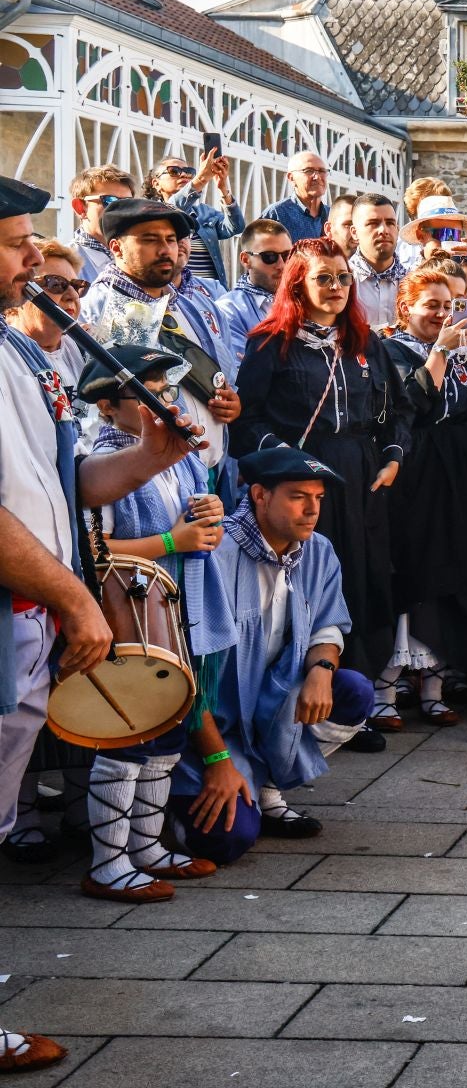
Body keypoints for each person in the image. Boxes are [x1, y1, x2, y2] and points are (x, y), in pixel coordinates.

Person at [0, 173, 205, 1076]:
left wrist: (150, 455)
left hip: (28, 616)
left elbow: (61, 488)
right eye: (17, 245)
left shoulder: (18, 354)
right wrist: (77, 599)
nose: (31, 260)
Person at [77, 347, 238, 901]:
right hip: (133, 615)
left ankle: (146, 847)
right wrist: (173, 540)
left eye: (164, 389)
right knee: (127, 735)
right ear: (106, 407)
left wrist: (210, 516)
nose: (162, 400)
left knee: (168, 730)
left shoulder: (181, 453)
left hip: (180, 610)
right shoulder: (101, 462)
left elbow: (201, 515)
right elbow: (92, 552)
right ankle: (107, 864)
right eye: (144, 392)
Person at [172, 445, 373, 859]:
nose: (312, 510)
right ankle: (163, 809)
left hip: (273, 711)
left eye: (318, 498)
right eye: (298, 497)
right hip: (208, 728)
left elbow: (329, 624)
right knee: (225, 841)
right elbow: (187, 673)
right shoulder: (214, 553)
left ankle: (266, 785)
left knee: (352, 692)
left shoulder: (318, 550)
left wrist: (321, 668)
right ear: (260, 495)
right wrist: (217, 761)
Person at [232, 239, 408, 698]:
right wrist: (286, 464)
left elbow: (397, 411)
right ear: (298, 284)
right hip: (299, 481)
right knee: (308, 584)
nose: (336, 287)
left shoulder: (366, 343)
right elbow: (245, 421)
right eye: (324, 278)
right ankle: (298, 696)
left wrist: (392, 458)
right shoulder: (271, 343)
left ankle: (356, 695)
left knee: (363, 578)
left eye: (343, 278)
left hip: (362, 477)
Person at [371, 269, 467, 732]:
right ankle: (384, 692)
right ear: (405, 308)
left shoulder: (466, 356)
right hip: (414, 480)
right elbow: (407, 407)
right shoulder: (390, 352)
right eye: (431, 305)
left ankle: (435, 688)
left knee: (454, 576)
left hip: (459, 480)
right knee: (414, 577)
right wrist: (440, 353)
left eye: (449, 306)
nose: (442, 314)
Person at [78, 199, 243, 484]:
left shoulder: (190, 304)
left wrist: (231, 403)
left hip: (207, 474)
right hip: (147, 482)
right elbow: (97, 411)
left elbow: (224, 378)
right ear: (116, 248)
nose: (166, 249)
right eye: (150, 239)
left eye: (170, 239)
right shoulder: (102, 308)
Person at [149, 153, 243, 289]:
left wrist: (223, 190)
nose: (183, 175)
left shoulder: (204, 212)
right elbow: (171, 210)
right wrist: (201, 179)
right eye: (174, 171)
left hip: (210, 294)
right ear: (156, 183)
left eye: (188, 172)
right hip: (174, 293)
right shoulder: (151, 213)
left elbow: (236, 227)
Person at [5, 241, 88, 392]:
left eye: (76, 286)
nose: (72, 295)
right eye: (56, 284)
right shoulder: (5, 355)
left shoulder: (86, 349)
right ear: (19, 291)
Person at [215, 219, 294, 341]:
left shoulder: (308, 297)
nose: (281, 265)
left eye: (287, 255)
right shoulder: (229, 310)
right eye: (269, 256)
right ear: (246, 259)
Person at [347, 193, 407, 330]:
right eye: (373, 223)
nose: (384, 230)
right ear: (354, 232)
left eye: (390, 223)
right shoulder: (342, 281)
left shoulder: (412, 281)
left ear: (397, 229)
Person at [67, 165, 138, 280]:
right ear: (80, 207)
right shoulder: (64, 264)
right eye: (110, 201)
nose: (121, 210)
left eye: (127, 203)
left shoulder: (140, 255)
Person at [263, 151, 331, 244]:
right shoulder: (277, 214)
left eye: (322, 171)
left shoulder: (333, 216)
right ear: (291, 178)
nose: (317, 177)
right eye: (309, 171)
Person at [398, 192, 467, 271]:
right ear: (420, 236)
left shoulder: (465, 269)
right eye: (443, 234)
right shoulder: (411, 276)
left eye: (455, 235)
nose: (449, 243)